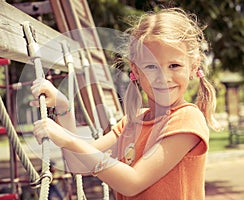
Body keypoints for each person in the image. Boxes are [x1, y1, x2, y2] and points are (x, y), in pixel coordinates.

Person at [31, 7, 221, 200]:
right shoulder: (132, 123)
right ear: (135, 71)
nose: (163, 78)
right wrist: (63, 108)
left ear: (193, 66)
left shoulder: (187, 119)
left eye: (174, 65)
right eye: (151, 67)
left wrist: (68, 139)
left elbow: (133, 183)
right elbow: (79, 163)